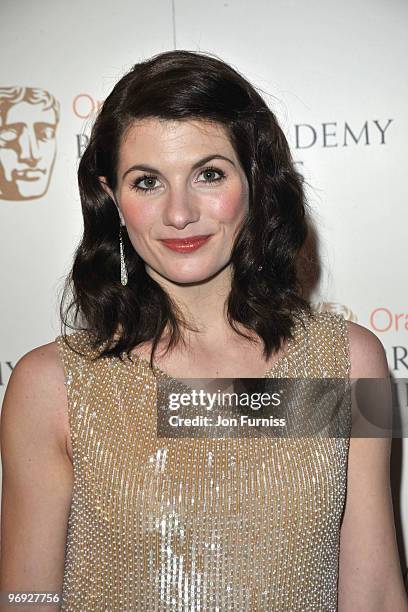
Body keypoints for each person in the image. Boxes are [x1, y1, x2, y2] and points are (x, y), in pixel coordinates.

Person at [0, 49, 407, 611]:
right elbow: (25, 598)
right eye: (147, 182)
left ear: (256, 181)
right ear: (112, 198)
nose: (179, 213)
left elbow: (377, 592)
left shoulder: (348, 364)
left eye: (209, 174)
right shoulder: (51, 386)